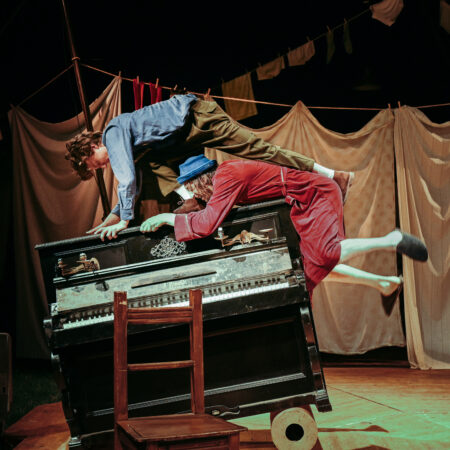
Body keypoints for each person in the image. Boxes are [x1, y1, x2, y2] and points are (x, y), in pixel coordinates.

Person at [140, 156, 428, 313]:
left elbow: (206, 224)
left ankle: (391, 240)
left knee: (326, 253)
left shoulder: (227, 177)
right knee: (308, 268)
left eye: (194, 189)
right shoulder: (225, 177)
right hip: (301, 202)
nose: (197, 196)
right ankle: (384, 283)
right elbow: (206, 212)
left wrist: (166, 217)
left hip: (315, 195)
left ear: (201, 181)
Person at [65, 93, 354, 240]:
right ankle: (190, 200)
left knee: (260, 150)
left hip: (200, 118)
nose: (102, 167)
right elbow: (134, 182)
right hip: (185, 138)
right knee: (151, 162)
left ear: (92, 148)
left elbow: (126, 180)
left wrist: (125, 220)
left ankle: (333, 175)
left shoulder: (112, 133)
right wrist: (115, 215)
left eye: (95, 165)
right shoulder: (130, 146)